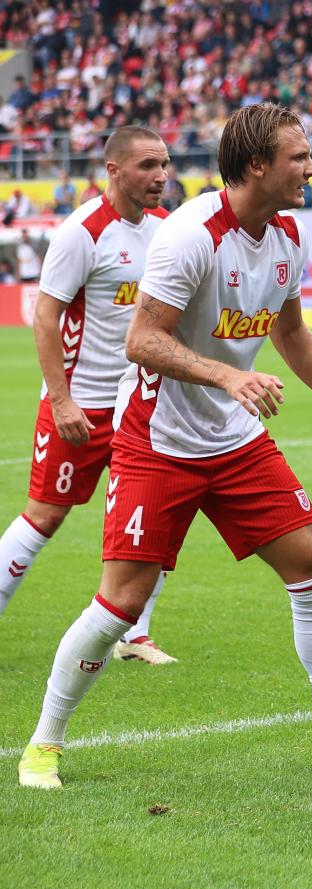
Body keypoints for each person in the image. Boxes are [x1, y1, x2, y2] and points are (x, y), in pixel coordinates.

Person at [17, 104, 312, 789]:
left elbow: (290, 333)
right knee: (120, 607)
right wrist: (228, 373)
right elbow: (142, 341)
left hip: (236, 441)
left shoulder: (286, 235)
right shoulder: (192, 234)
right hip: (157, 441)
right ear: (257, 165)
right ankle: (43, 746)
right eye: (299, 157)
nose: (311, 168)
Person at [0, 127, 176, 663]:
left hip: (139, 408)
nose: (161, 176)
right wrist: (61, 400)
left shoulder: (167, 231)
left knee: (153, 516)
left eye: (164, 164)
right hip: (80, 405)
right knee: (44, 517)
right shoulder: (83, 232)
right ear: (115, 170)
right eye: (147, 165)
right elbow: (45, 315)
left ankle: (133, 633)